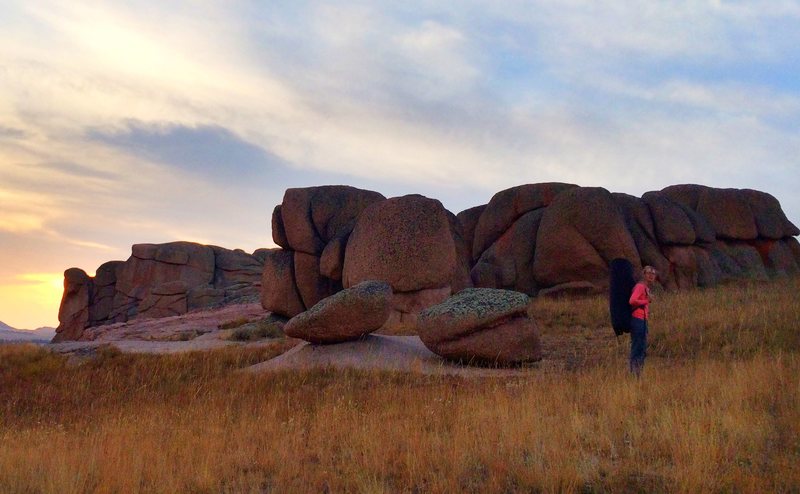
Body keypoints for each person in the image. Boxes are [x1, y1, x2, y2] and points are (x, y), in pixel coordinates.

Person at [629, 265, 657, 376]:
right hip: (637, 319)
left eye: (653, 273)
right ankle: (634, 373)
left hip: (643, 320)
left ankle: (638, 372)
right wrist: (646, 300)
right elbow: (632, 301)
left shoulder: (646, 288)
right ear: (644, 274)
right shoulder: (640, 287)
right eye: (649, 273)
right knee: (638, 346)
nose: (651, 275)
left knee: (642, 346)